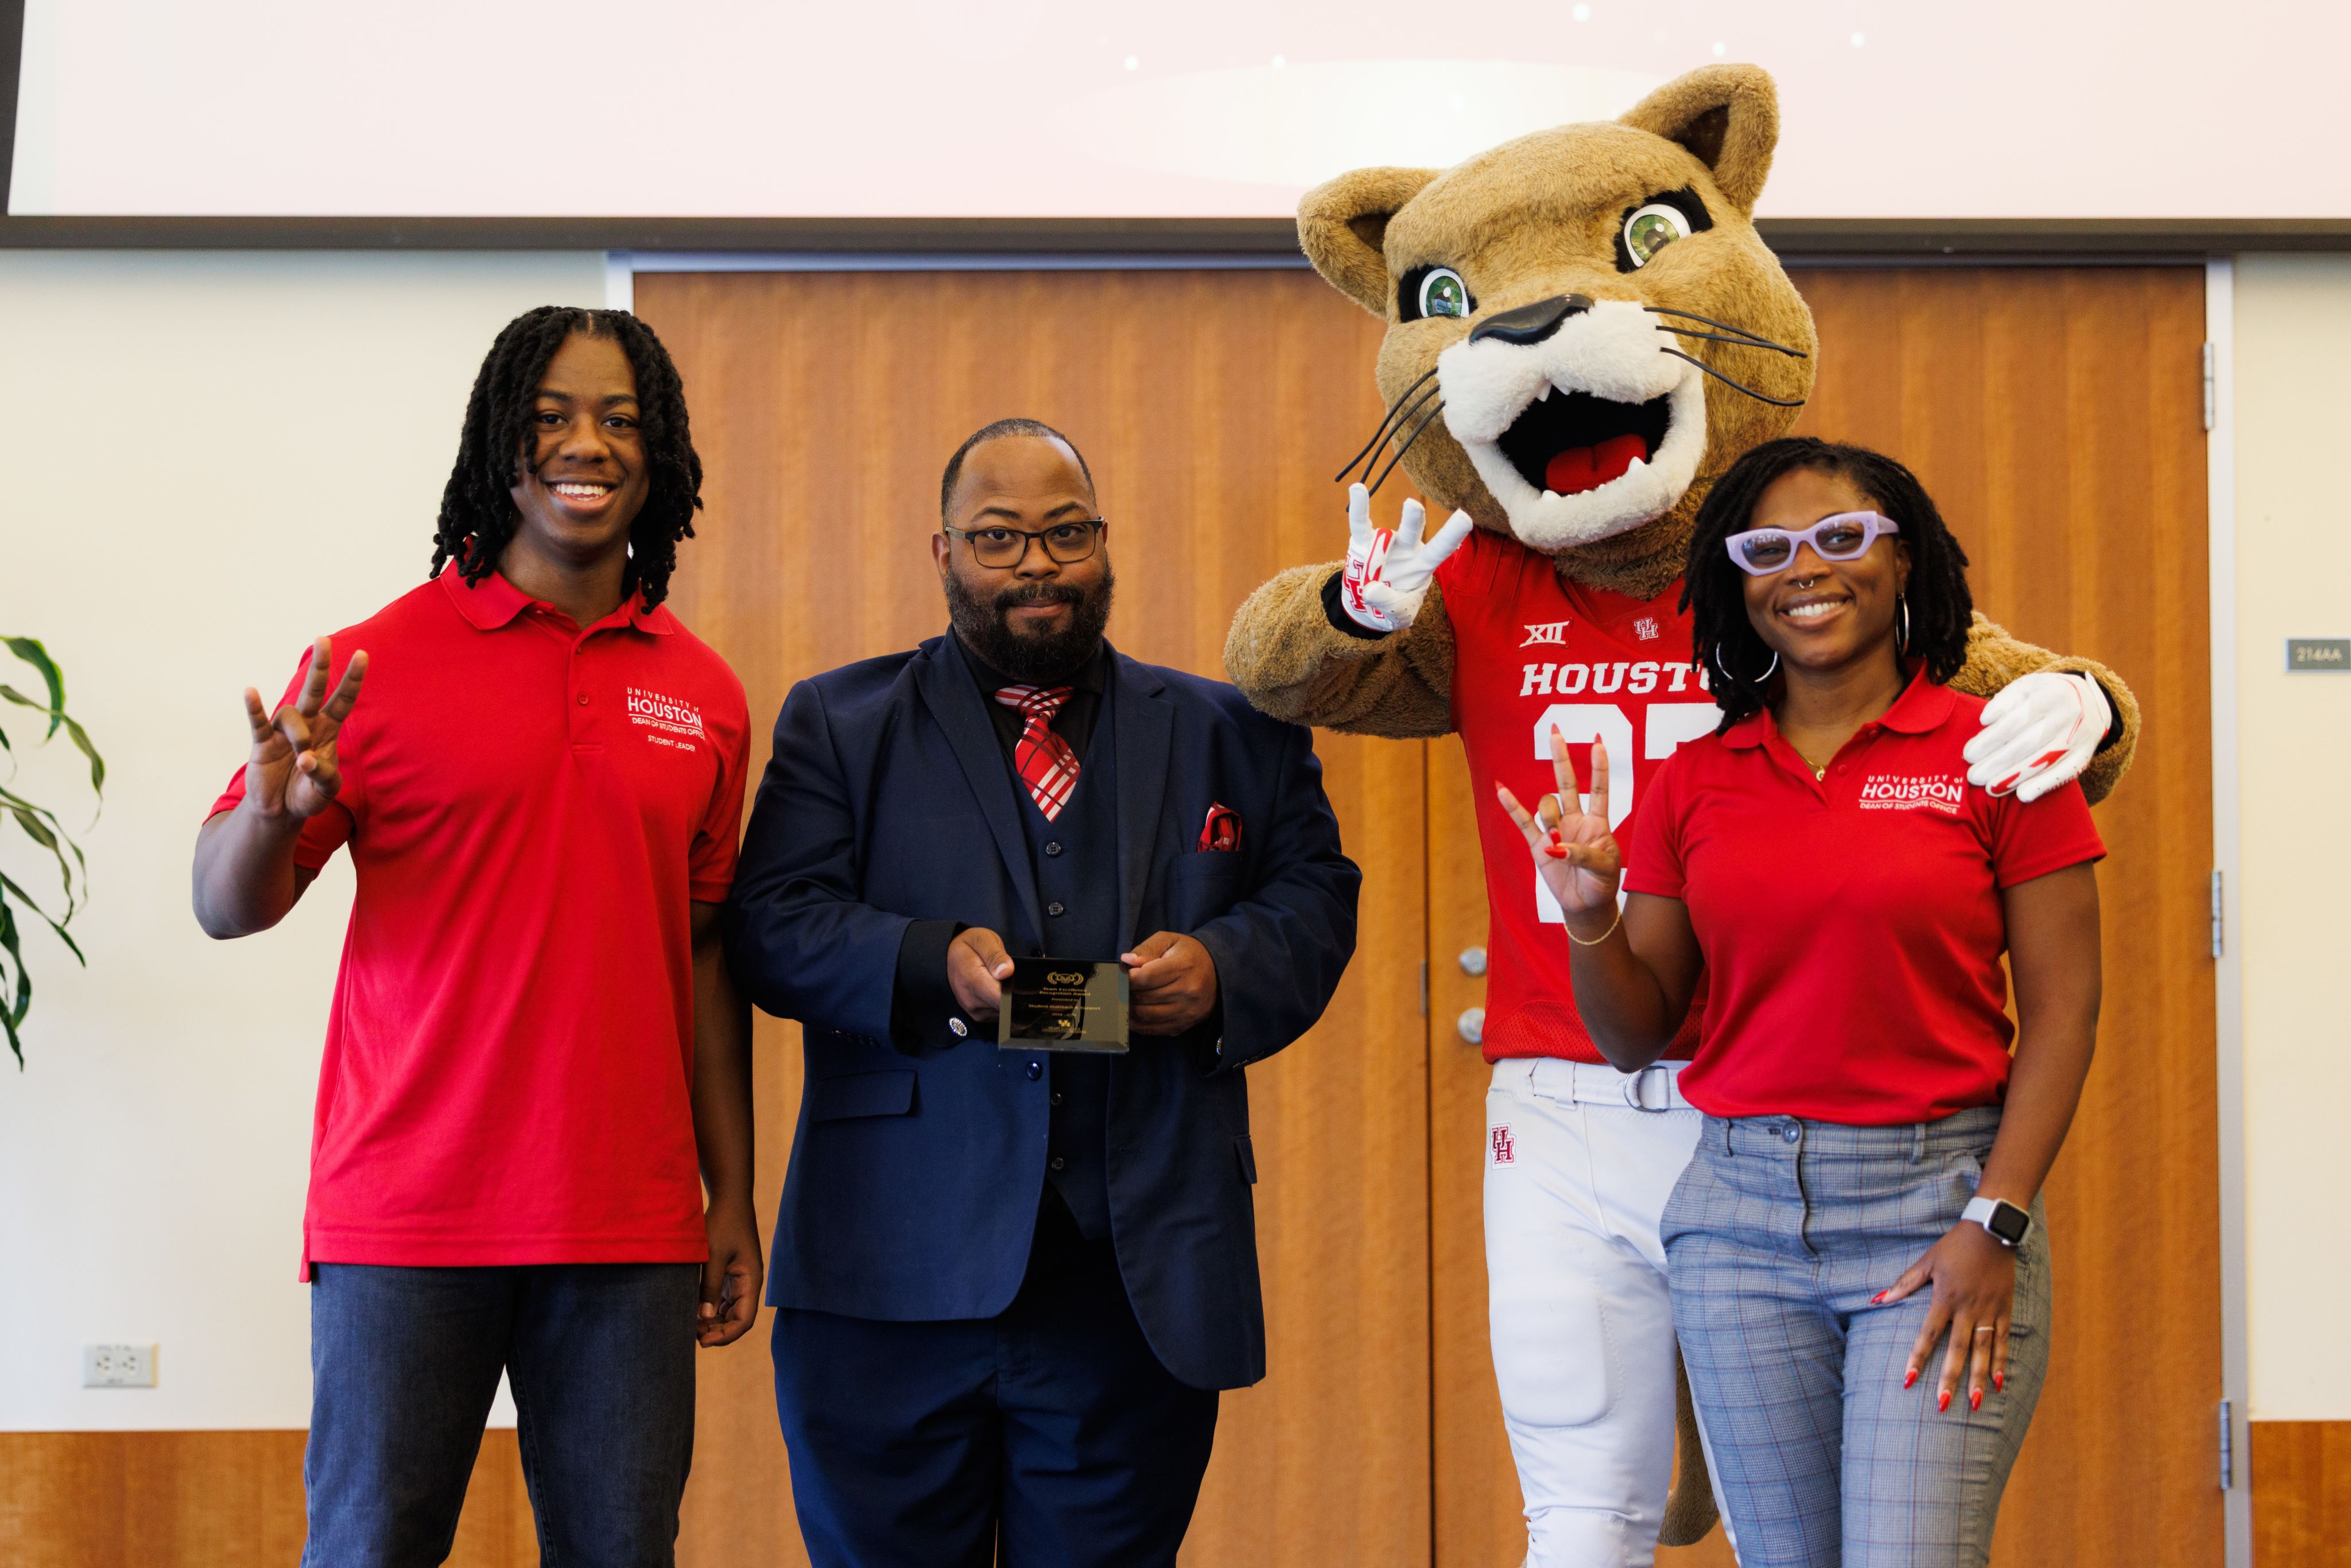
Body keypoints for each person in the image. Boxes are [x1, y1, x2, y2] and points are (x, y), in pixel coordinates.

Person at [725, 418, 1360, 1567]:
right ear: (943, 553)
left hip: (1132, 1281)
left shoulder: (1232, 729)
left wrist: (1223, 968)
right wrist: (925, 959)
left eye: (1063, 534)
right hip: (887, 1277)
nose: (1034, 564)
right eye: (998, 538)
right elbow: (771, 923)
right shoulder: (840, 721)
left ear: (1103, 542)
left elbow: (1314, 896)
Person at [191, 306, 760, 1567]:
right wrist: (272, 815)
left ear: (655, 453)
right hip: (408, 1215)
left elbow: (707, 960)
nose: (587, 443)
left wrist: (735, 1193)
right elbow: (228, 906)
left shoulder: (705, 694)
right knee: (369, 1549)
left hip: (628, 1226)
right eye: (552, 413)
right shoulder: (366, 663)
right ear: (498, 441)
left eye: (620, 419)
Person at [1497, 437, 2105, 1568]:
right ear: (1736, 584)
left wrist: (1998, 1216)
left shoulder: (1997, 752)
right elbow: (1636, 1031)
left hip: (1939, 1209)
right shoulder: (1696, 776)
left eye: (1839, 537)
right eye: (1766, 549)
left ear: (1903, 557)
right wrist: (1587, 909)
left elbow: (2064, 1009)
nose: (1804, 568)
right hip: (1737, 1225)